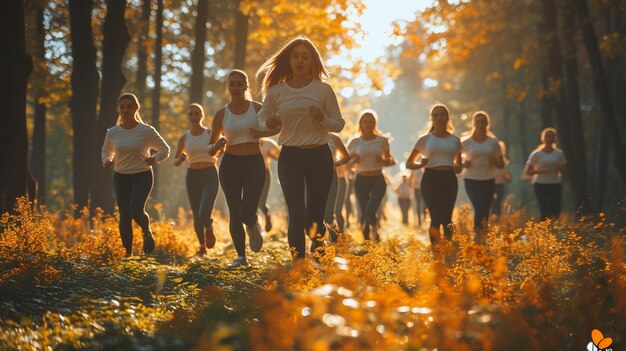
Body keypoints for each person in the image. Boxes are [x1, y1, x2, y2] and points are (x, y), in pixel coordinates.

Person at [256, 36, 345, 259]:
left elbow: (339, 124)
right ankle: (299, 264)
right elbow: (261, 119)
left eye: (305, 57)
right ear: (289, 61)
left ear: (312, 61)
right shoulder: (277, 92)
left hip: (319, 156)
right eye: (296, 56)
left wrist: (323, 118)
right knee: (295, 212)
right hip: (291, 157)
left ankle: (318, 246)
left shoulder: (323, 90)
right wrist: (270, 123)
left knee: (314, 216)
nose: (300, 60)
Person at [209, 69, 274, 267]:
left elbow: (275, 126)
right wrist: (217, 146)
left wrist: (262, 131)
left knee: (247, 211)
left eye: (239, 83)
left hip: (254, 164)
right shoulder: (221, 114)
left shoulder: (258, 108)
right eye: (232, 84)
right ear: (227, 87)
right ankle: (241, 258)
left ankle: (252, 224)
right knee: (235, 212)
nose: (236, 88)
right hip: (230, 166)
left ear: (246, 86)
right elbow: (210, 149)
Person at [101, 93, 170, 257]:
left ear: (136, 108)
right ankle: (128, 254)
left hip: (142, 175)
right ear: (118, 109)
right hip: (120, 176)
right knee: (124, 214)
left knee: (134, 210)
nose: (125, 110)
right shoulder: (112, 132)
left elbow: (165, 149)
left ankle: (146, 231)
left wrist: (155, 158)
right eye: (122, 107)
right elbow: (106, 151)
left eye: (129, 107)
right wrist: (107, 160)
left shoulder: (146, 131)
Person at [406, 103, 462, 250]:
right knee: (436, 217)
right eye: (435, 115)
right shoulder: (424, 139)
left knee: (447, 219)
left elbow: (459, 166)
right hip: (430, 179)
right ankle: (436, 255)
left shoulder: (455, 140)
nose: (439, 117)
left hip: (449, 179)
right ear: (431, 118)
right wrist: (420, 165)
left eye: (442, 114)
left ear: (447, 117)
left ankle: (448, 251)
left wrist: (457, 167)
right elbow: (408, 163)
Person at [173, 103, 219, 257]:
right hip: (192, 175)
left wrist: (218, 148)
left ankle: (209, 227)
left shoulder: (210, 133)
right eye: (191, 114)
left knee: (204, 212)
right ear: (188, 117)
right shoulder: (184, 138)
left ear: (201, 115)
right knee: (196, 213)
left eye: (196, 113)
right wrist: (181, 159)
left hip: (210, 174)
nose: (193, 116)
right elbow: (175, 161)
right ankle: (202, 247)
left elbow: (219, 151)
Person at [347, 109, 396, 241]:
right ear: (361, 124)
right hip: (361, 180)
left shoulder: (382, 141)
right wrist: (353, 161)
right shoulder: (355, 142)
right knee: (363, 212)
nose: (368, 124)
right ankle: (367, 240)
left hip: (378, 180)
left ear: (375, 123)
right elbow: (346, 164)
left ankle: (375, 232)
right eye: (365, 122)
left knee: (370, 210)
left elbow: (391, 161)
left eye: (371, 122)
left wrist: (384, 161)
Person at [461, 111, 504, 241]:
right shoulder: (466, 142)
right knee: (478, 207)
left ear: (487, 124)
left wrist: (495, 160)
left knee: (485, 209)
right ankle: (477, 237)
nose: (480, 124)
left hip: (489, 180)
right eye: (478, 121)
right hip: (471, 179)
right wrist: (464, 163)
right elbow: (456, 161)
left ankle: (483, 236)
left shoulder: (493, 142)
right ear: (473, 124)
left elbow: (501, 164)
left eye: (483, 121)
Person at [525, 127, 567, 221]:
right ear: (543, 138)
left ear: (554, 139)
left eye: (551, 136)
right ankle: (544, 232)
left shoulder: (559, 153)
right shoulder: (536, 154)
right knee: (544, 210)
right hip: (540, 184)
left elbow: (564, 170)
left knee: (555, 211)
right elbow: (528, 171)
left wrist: (559, 167)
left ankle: (553, 231)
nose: (549, 138)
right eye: (547, 136)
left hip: (555, 184)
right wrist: (542, 171)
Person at [324, 133, 351, 241]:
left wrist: (337, 163)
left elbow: (346, 156)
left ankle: (335, 235)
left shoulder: (334, 138)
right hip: (312, 177)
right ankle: (317, 243)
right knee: (314, 214)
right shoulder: (308, 135)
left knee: (329, 215)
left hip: (332, 176)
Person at [257, 137, 281, 232]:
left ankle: (267, 216)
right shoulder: (247, 143)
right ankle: (256, 226)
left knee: (261, 202)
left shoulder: (268, 143)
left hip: (265, 174)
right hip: (250, 174)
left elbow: (280, 155)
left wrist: (272, 155)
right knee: (252, 201)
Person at [491, 140, 512, 217]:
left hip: (499, 185)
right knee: (491, 202)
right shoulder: (490, 160)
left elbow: (509, 178)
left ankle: (497, 218)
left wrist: (506, 177)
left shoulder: (505, 163)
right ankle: (490, 218)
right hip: (489, 184)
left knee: (497, 202)